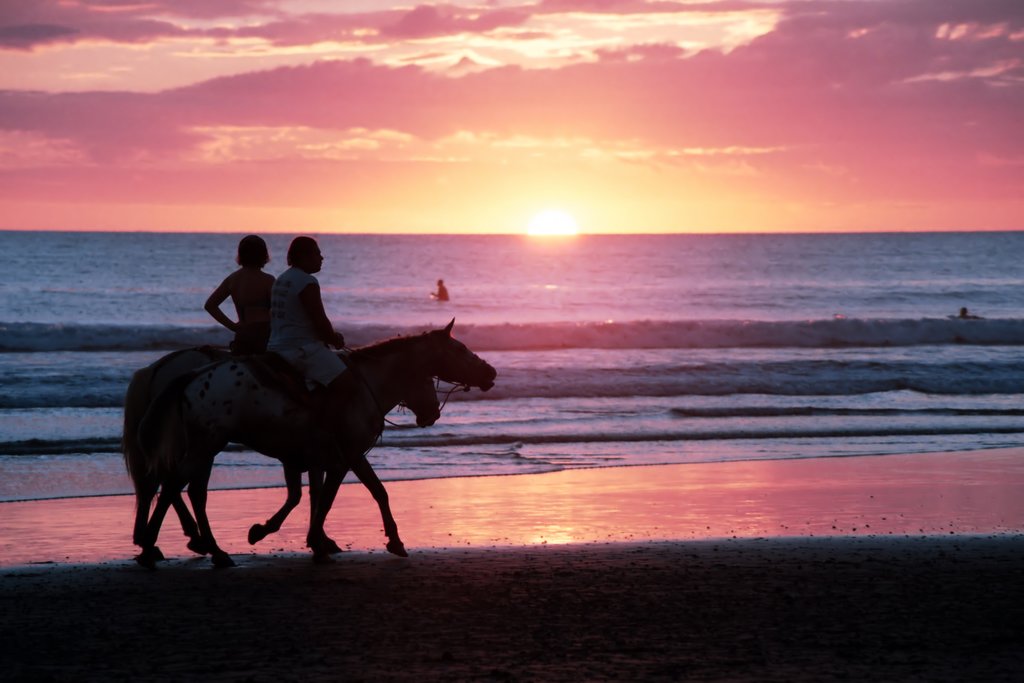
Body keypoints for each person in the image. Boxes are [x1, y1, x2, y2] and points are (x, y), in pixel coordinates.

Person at [267, 236, 348, 392]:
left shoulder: (282, 279)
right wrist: (334, 339)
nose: (321, 258)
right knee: (348, 384)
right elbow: (320, 321)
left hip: (275, 347)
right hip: (300, 349)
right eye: (317, 254)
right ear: (305, 257)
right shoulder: (306, 281)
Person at [205, 235, 275, 355]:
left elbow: (210, 305)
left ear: (241, 255)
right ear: (264, 255)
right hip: (265, 335)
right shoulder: (268, 280)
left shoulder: (233, 279)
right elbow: (279, 311)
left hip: (243, 334)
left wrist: (233, 327)